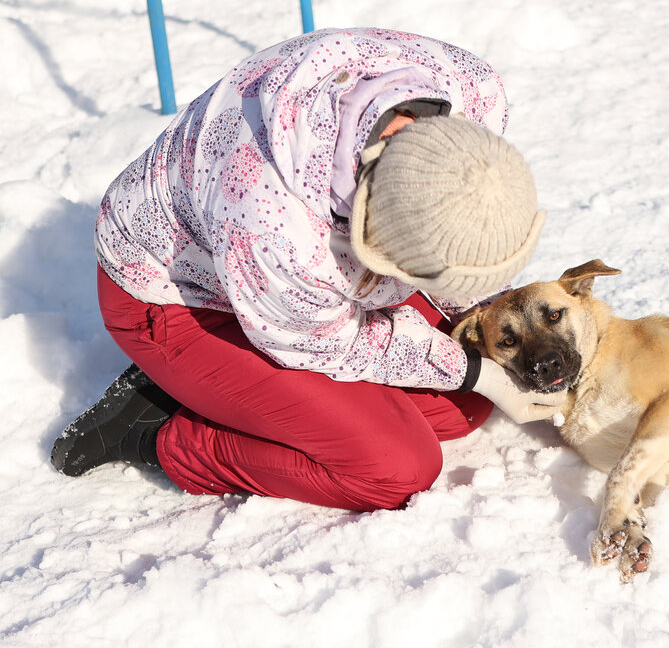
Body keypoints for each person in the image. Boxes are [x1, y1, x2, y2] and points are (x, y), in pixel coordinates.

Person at [51, 27, 565, 511]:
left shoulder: (473, 91)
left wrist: (480, 337)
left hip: (272, 284)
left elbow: (462, 230)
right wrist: (477, 371)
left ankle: (227, 389)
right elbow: (334, 342)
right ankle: (160, 431)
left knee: (460, 408)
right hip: (174, 297)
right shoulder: (279, 226)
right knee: (395, 466)